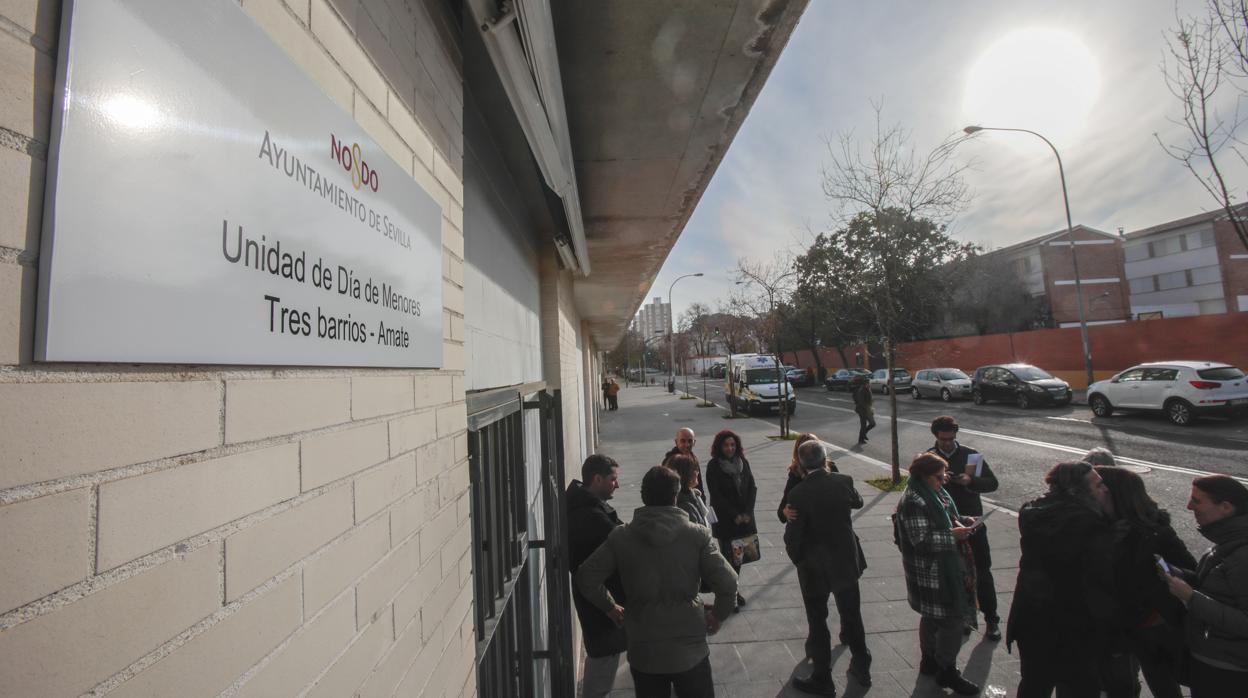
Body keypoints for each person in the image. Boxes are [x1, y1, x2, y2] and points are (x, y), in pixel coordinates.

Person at [575, 466, 738, 698]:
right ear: (675, 496)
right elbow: (729, 583)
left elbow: (586, 577)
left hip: (644, 646)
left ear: (644, 496)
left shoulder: (622, 536)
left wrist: (609, 606)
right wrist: (718, 616)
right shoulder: (697, 535)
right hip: (689, 645)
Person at [1007, 461, 1117, 698]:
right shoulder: (1091, 525)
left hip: (1031, 619)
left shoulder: (1031, 512)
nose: (1105, 489)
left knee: (1035, 683)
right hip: (1074, 624)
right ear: (1078, 490)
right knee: (1080, 685)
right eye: (1098, 485)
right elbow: (1101, 579)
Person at [1095, 466, 1195, 698]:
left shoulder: (1154, 531)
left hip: (1152, 625)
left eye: (1099, 486)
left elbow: (1191, 570)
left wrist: (1168, 574)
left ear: (1114, 494)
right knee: (1120, 687)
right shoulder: (1097, 527)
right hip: (1117, 627)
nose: (1093, 492)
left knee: (1162, 683)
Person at [785, 440, 871, 695]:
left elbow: (793, 537)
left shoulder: (798, 494)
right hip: (844, 561)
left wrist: (798, 558)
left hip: (813, 567)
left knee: (818, 620)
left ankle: (823, 677)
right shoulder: (843, 481)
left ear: (801, 464)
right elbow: (858, 502)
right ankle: (862, 666)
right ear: (825, 460)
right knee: (852, 616)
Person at [894, 453, 981, 696]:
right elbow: (921, 541)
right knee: (952, 619)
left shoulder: (933, 492)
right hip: (933, 572)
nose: (943, 482)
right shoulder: (913, 500)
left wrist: (964, 521)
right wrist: (954, 535)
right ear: (923, 476)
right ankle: (947, 669)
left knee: (932, 617)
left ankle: (929, 660)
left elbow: (945, 518)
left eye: (944, 478)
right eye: (939, 478)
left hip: (942, 568)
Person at [1162, 475, 1248, 697]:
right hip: (1216, 662)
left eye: (1197, 501)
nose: (1189, 506)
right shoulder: (1228, 543)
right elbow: (1220, 589)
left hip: (1228, 671)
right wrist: (1179, 574)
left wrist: (1191, 597)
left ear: (1226, 507)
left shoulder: (1242, 555)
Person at [927, 415, 1001, 640]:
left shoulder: (971, 455)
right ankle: (964, 618)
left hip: (973, 523)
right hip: (947, 525)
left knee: (982, 572)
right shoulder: (930, 459)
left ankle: (991, 620)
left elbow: (992, 483)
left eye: (951, 438)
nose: (948, 443)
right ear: (936, 437)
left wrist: (971, 482)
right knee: (954, 575)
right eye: (943, 439)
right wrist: (939, 481)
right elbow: (918, 487)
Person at [566, 455, 627, 697]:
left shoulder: (586, 506)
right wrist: (609, 605)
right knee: (603, 661)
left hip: (601, 601)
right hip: (601, 606)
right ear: (597, 478)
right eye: (613, 479)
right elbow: (588, 572)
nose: (617, 484)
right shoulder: (589, 516)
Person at [705, 429, 757, 610]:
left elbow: (752, 487)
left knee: (740, 558)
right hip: (727, 521)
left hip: (745, 520)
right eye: (726, 445)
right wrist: (735, 515)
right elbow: (716, 495)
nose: (730, 448)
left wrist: (747, 513)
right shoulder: (713, 465)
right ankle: (730, 595)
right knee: (728, 559)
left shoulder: (743, 462)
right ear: (719, 447)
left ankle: (733, 590)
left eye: (733, 445)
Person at [778, 433, 838, 525]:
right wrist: (785, 512)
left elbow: (844, 494)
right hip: (809, 525)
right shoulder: (795, 474)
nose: (811, 455)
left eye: (814, 450)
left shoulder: (831, 467)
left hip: (831, 522)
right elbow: (782, 511)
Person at [663, 428, 706, 499]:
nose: (687, 444)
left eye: (690, 441)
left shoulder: (694, 458)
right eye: (683, 441)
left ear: (694, 442)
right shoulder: (671, 461)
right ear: (676, 442)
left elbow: (700, 486)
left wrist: (702, 501)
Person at [671, 454, 711, 528]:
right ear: (687, 474)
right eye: (695, 469)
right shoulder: (685, 504)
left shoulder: (693, 494)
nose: (698, 472)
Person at [851, 377, 874, 444]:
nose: (870, 384)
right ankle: (860, 440)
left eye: (870, 383)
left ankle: (864, 434)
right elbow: (862, 402)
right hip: (862, 410)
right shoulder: (862, 390)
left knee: (872, 424)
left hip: (867, 410)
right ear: (865, 384)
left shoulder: (868, 389)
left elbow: (869, 399)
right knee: (864, 425)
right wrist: (869, 408)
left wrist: (871, 406)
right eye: (868, 383)